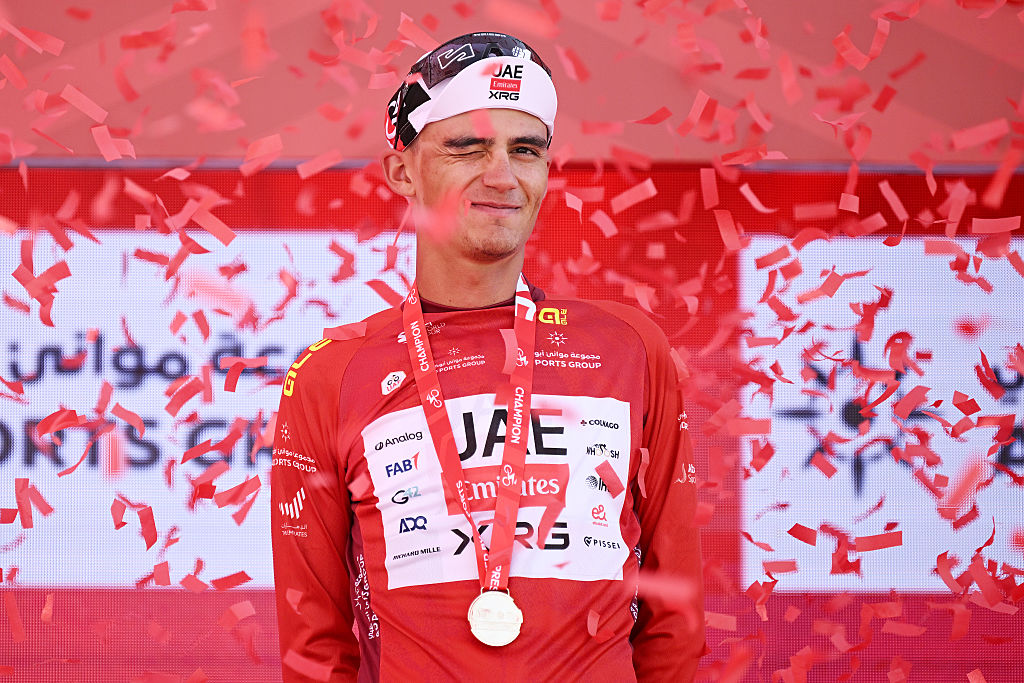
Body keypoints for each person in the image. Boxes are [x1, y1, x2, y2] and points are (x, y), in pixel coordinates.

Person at [271, 31, 706, 682]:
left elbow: (675, 615)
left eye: (525, 150)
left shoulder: (629, 345)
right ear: (402, 171)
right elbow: (314, 646)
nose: (502, 176)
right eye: (467, 148)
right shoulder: (331, 372)